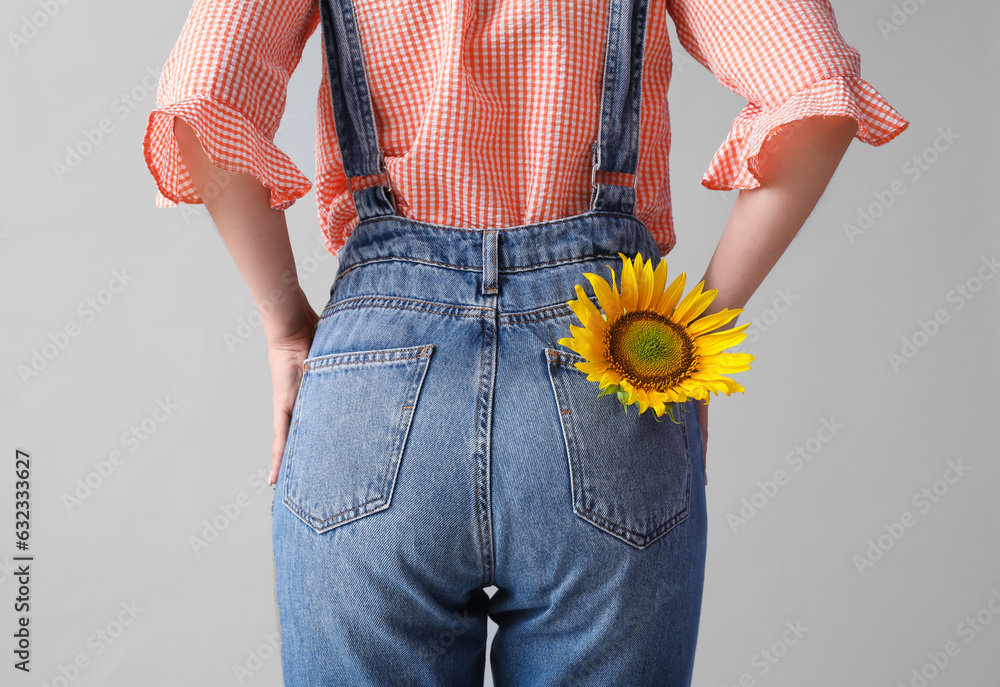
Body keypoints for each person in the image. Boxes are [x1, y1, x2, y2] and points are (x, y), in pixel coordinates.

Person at [142, 0, 908, 684]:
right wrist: (692, 328)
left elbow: (199, 99)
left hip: (372, 382)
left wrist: (285, 326)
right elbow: (816, 92)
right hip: (606, 365)